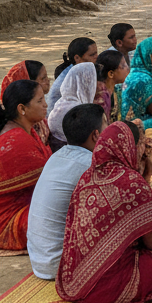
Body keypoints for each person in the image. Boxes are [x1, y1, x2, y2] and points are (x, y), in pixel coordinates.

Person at [56, 121, 152, 303]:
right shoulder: (133, 182)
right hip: (112, 286)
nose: (144, 149)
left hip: (78, 285)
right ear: (128, 147)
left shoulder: (87, 178)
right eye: (141, 144)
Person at [28, 104, 105, 280]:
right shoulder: (90, 164)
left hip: (40, 261)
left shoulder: (57, 156)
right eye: (106, 125)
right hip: (62, 265)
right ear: (96, 135)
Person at [0, 79, 51, 249]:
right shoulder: (16, 140)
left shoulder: (26, 129)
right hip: (0, 223)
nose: (45, 105)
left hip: (14, 208)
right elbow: (51, 178)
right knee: (64, 215)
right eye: (39, 101)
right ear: (22, 109)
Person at [47, 62, 109, 149]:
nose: (101, 87)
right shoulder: (77, 110)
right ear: (87, 83)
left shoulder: (63, 102)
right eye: (95, 82)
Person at [46, 37, 98, 111]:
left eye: (96, 53)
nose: (96, 57)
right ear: (77, 58)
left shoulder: (79, 72)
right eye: (92, 55)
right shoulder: (69, 80)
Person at [96, 50, 130, 123]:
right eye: (123, 66)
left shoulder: (117, 91)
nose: (128, 69)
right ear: (111, 74)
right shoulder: (100, 98)